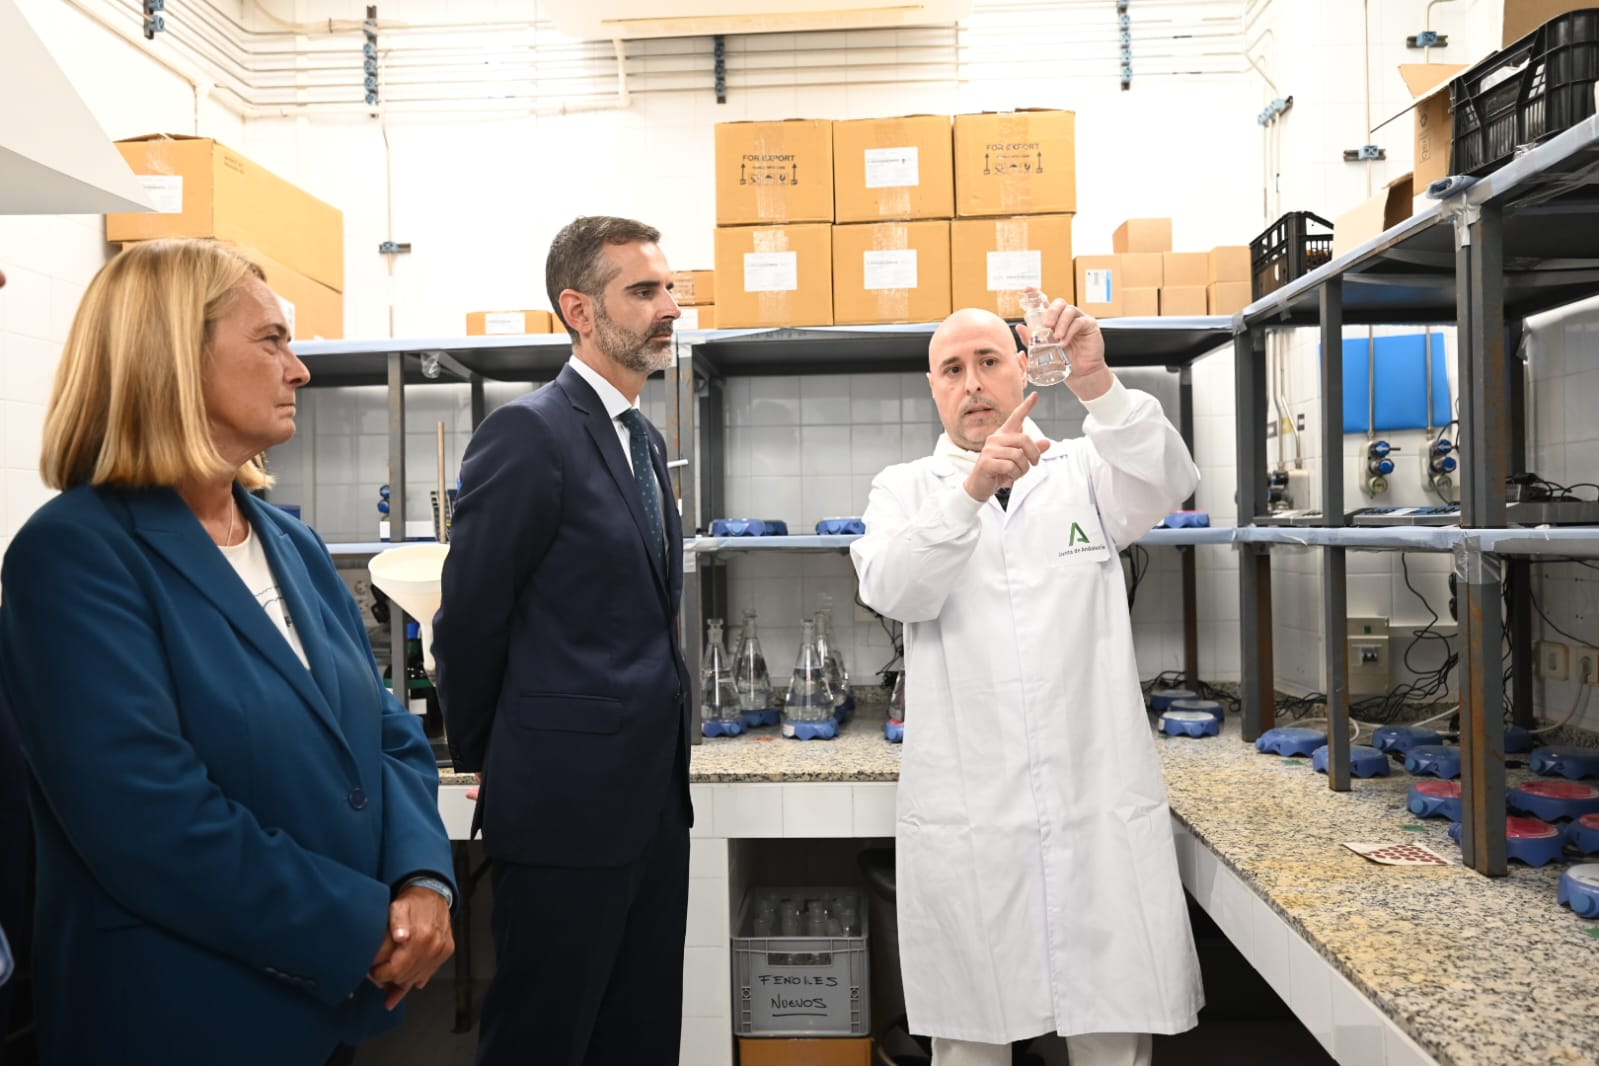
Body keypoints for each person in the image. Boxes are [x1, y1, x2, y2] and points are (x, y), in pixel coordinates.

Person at [0, 239, 457, 1066]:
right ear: (174, 357)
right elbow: (150, 821)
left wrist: (424, 881)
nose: (299, 370)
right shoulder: (75, 554)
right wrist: (362, 925)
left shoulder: (290, 541)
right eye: (271, 340)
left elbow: (386, 734)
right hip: (179, 1016)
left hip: (326, 1009)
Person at [851, 300, 1204, 1066]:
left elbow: (1168, 479)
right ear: (932, 387)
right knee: (971, 1040)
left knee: (1112, 1026)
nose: (972, 383)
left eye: (988, 361)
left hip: (1091, 799)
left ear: (1021, 367)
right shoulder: (905, 489)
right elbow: (893, 588)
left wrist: (1097, 382)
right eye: (952, 370)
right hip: (970, 809)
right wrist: (969, 492)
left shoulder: (1083, 470)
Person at [433, 215, 693, 1066]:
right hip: (561, 810)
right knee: (545, 1038)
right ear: (579, 310)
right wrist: (500, 761)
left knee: (639, 1033)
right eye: (644, 291)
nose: (669, 307)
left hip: (651, 807)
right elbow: (468, 620)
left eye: (669, 288)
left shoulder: (643, 441)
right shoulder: (530, 433)